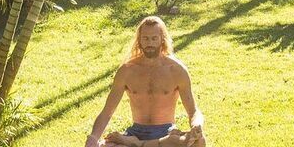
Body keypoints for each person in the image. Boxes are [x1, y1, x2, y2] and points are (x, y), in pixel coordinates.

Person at [85, 16, 205, 147]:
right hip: (136, 132)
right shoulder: (127, 70)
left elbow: (193, 111)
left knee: (199, 142)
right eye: (145, 38)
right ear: (139, 40)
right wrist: (93, 137)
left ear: (162, 39)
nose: (150, 43)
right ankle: (137, 143)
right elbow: (107, 111)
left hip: (166, 133)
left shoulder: (176, 70)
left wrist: (196, 124)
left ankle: (136, 144)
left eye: (154, 38)